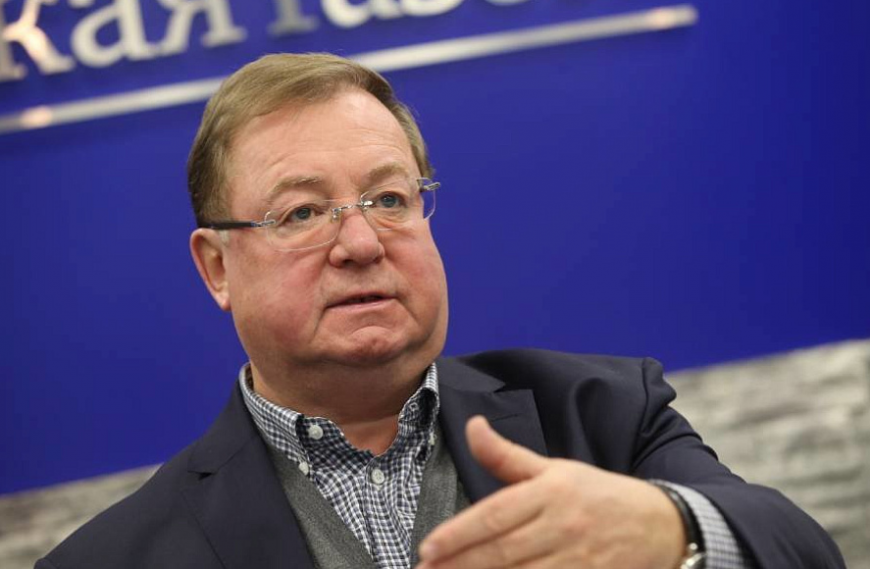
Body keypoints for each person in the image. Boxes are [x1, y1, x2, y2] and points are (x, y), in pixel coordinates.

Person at [37, 53, 844, 569]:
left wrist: (673, 530)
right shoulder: (113, 558)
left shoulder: (601, 414)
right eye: (303, 212)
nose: (360, 242)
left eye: (389, 198)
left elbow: (802, 547)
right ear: (217, 266)